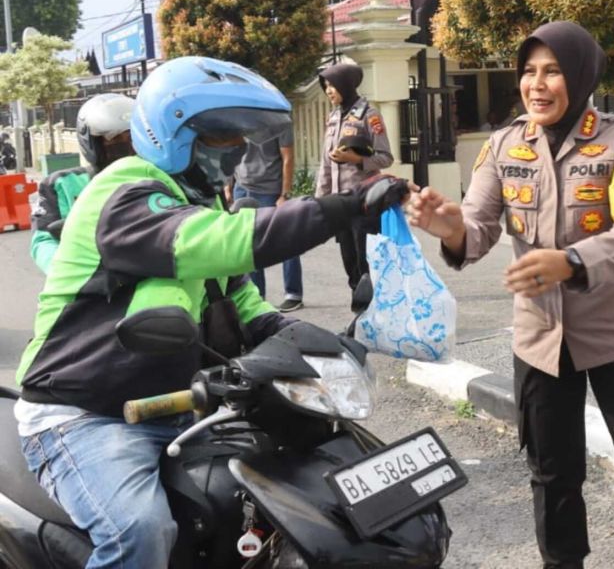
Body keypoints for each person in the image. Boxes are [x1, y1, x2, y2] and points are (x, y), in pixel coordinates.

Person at [14, 56, 406, 568]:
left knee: (258, 506)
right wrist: (346, 206)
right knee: (140, 529)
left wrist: (310, 341)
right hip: (85, 414)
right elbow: (224, 244)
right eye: (220, 137)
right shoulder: (124, 193)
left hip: (177, 404)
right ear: (169, 134)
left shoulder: (196, 199)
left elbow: (240, 302)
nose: (237, 150)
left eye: (241, 138)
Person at [408, 21, 614, 569]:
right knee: (552, 471)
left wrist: (569, 262)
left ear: (582, 76)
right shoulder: (503, 146)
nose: (536, 85)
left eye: (552, 72)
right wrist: (448, 227)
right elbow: (476, 229)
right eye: (528, 72)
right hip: (539, 339)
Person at [316, 62, 395, 301]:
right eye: (326, 86)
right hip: (340, 204)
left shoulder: (369, 116)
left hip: (364, 203)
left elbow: (385, 158)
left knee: (366, 265)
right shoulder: (333, 117)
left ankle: (374, 315)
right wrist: (319, 201)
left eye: (333, 86)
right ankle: (361, 313)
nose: (329, 91)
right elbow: (325, 164)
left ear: (346, 85)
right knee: (350, 265)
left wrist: (356, 159)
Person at [30, 94, 135, 274]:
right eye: (115, 139)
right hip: (90, 285)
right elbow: (43, 241)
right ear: (93, 142)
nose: (126, 144)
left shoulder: (162, 177)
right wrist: (68, 272)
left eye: (131, 137)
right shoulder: (61, 184)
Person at [228, 123, 304, 311]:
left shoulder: (279, 121)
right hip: (241, 187)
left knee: (284, 238)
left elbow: (288, 157)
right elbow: (230, 152)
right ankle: (256, 295)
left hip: (269, 189)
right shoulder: (236, 118)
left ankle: (293, 293)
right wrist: (227, 185)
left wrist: (284, 194)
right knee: (246, 243)